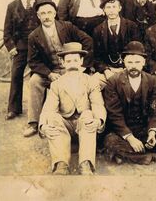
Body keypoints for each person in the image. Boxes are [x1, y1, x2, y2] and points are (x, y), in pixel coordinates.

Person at [25, 0, 93, 137]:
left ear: (55, 13)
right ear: (38, 16)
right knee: (34, 81)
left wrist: (82, 65)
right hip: (51, 71)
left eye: (49, 12)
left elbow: (87, 40)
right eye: (42, 13)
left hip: (71, 67)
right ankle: (34, 123)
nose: (47, 16)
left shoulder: (66, 26)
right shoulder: (34, 36)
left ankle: (83, 120)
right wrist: (49, 73)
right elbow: (33, 61)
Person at [103, 41, 156, 165]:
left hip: (144, 128)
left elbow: (155, 111)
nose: (133, 66)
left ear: (143, 62)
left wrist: (152, 133)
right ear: (124, 62)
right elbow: (115, 115)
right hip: (123, 130)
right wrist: (130, 138)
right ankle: (153, 157)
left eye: (137, 62)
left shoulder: (152, 81)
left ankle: (127, 155)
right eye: (130, 62)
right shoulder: (113, 81)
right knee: (110, 142)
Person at [38, 42, 106, 175]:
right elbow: (48, 108)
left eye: (76, 60)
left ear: (81, 61)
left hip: (85, 128)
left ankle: (85, 163)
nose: (72, 64)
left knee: (87, 114)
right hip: (65, 129)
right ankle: (61, 164)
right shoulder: (56, 84)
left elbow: (98, 104)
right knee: (53, 117)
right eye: (68, 61)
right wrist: (43, 126)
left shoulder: (90, 81)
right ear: (63, 63)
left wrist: (99, 120)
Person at [3, 0, 43, 120]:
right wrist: (11, 47)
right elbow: (7, 31)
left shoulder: (42, 1)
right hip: (20, 48)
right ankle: (14, 109)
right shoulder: (12, 6)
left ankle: (41, 110)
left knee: (39, 77)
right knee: (16, 75)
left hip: (40, 48)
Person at [93, 0, 139, 88]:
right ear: (104, 10)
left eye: (114, 7)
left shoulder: (131, 26)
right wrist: (106, 71)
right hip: (108, 71)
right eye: (108, 7)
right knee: (93, 81)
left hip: (128, 68)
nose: (111, 10)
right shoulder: (98, 30)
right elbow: (97, 58)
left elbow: (137, 53)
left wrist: (127, 68)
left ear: (120, 8)